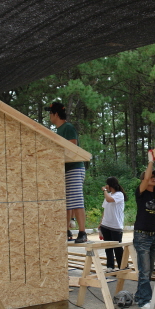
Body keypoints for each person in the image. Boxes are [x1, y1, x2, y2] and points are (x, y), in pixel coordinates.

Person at [133, 151, 155, 309]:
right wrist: (150, 162)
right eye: (151, 177)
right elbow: (146, 177)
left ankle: (139, 296)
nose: (154, 179)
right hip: (142, 236)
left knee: (147, 271)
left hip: (153, 235)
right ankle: (144, 301)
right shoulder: (140, 192)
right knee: (145, 270)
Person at [48, 102, 87, 243]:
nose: (49, 116)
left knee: (76, 200)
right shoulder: (58, 131)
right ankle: (66, 230)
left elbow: (72, 146)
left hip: (74, 167)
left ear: (56, 114)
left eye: (50, 113)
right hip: (65, 169)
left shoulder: (68, 127)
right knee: (67, 201)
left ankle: (82, 232)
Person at [98, 177, 127, 271]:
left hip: (116, 226)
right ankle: (110, 266)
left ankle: (122, 266)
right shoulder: (108, 194)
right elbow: (105, 209)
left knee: (117, 247)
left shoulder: (119, 194)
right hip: (105, 225)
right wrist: (101, 223)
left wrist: (105, 190)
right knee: (108, 247)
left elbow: (109, 200)